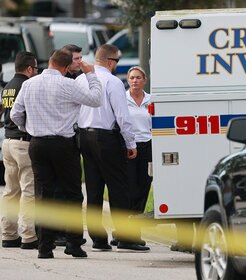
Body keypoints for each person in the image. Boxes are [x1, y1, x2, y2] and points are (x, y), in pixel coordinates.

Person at [10, 48, 102, 259]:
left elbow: (15, 113)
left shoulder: (29, 84)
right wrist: (90, 74)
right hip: (63, 144)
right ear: (66, 67)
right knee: (72, 194)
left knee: (43, 195)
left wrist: (28, 128)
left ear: (50, 62)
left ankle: (45, 247)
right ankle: (73, 243)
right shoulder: (68, 84)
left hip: (38, 143)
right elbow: (96, 99)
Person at [77, 44, 149, 252]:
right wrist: (131, 143)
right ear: (110, 62)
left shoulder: (81, 79)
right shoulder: (113, 81)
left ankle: (98, 239)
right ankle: (125, 237)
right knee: (119, 188)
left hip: (85, 135)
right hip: (106, 138)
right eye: (116, 62)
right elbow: (122, 116)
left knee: (93, 188)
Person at [1, 51, 38, 250]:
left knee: (10, 191)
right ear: (30, 68)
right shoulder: (26, 86)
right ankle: (29, 236)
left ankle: (8, 234)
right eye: (36, 69)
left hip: (8, 142)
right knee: (28, 191)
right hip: (23, 142)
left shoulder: (7, 87)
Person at [52, 44, 86, 247]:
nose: (80, 62)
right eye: (76, 59)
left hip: (68, 138)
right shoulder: (65, 83)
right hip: (61, 139)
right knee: (61, 190)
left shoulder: (73, 80)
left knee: (63, 189)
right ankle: (60, 233)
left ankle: (62, 232)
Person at [123, 66, 153, 246]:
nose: (135, 81)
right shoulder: (123, 99)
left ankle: (136, 229)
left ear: (144, 80)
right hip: (128, 146)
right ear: (128, 80)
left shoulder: (151, 100)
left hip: (147, 146)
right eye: (132, 78)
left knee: (144, 187)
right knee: (129, 189)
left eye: (138, 78)